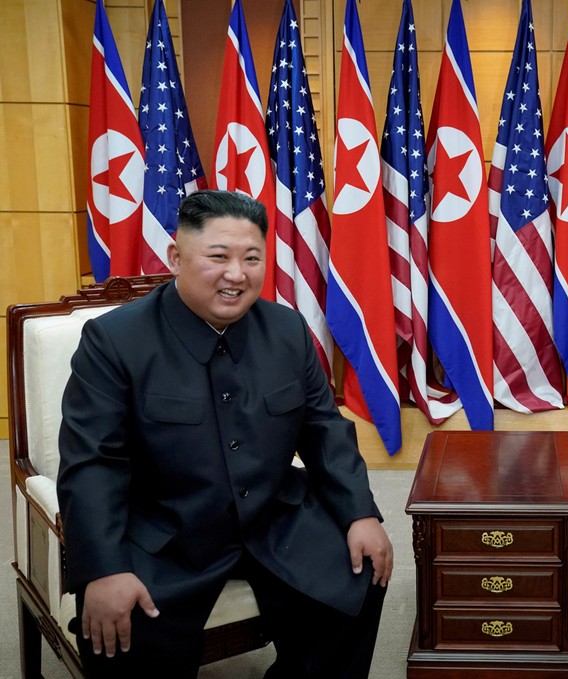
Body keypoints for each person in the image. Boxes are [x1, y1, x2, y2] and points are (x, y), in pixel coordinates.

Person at [57, 190, 393, 678]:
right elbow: (92, 462)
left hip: (272, 516)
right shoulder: (114, 341)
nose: (237, 274)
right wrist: (103, 567)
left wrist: (360, 512)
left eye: (252, 258)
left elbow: (324, 429)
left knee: (363, 574)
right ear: (176, 257)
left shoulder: (288, 330)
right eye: (219, 257)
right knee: (121, 630)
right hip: (165, 532)